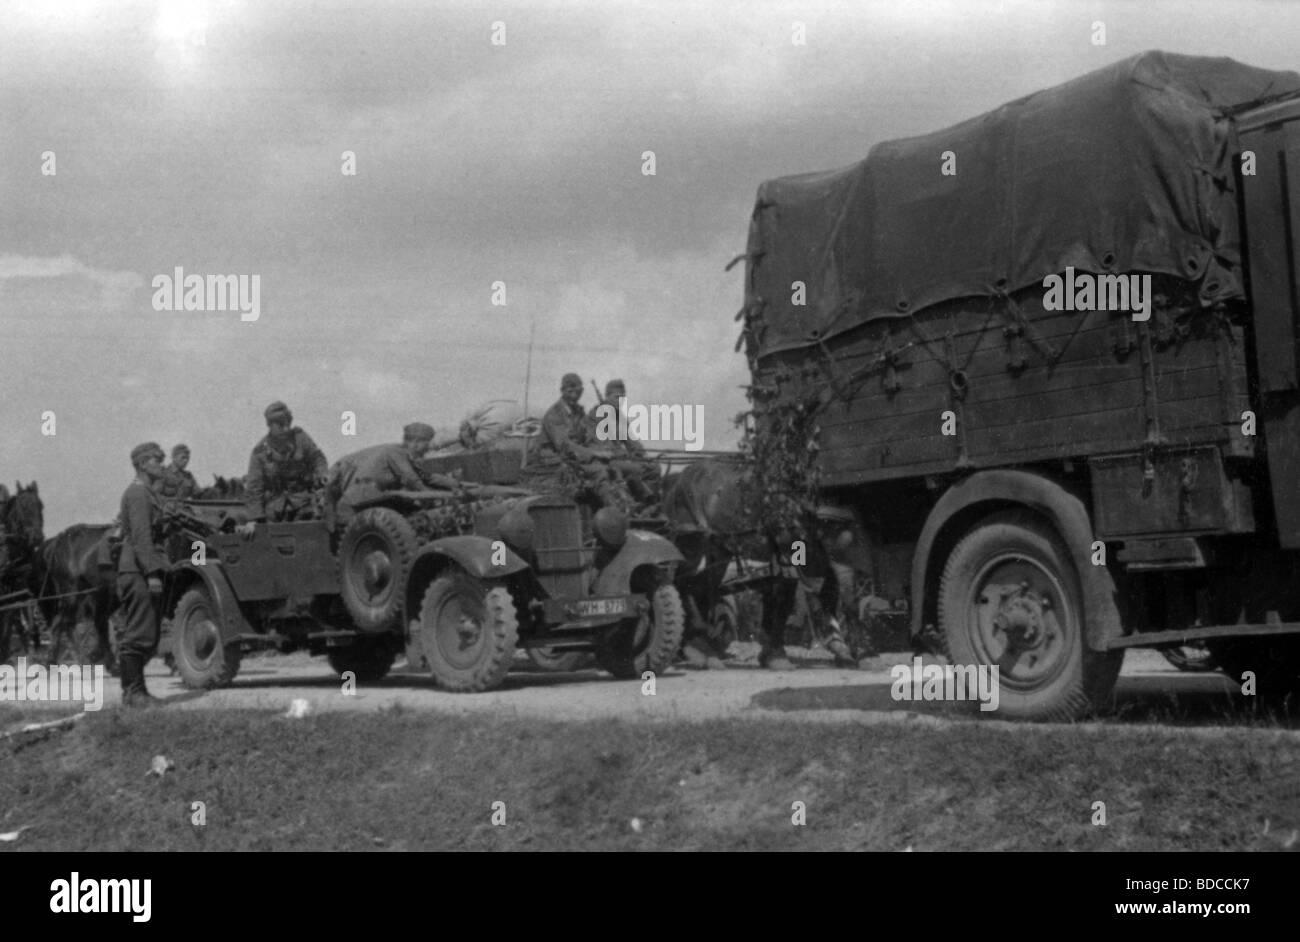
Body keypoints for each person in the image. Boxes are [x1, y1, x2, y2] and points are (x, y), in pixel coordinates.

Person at [325, 422, 462, 529]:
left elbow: (427, 477)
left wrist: (459, 485)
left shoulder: (402, 454)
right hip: (354, 508)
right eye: (426, 444)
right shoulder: (395, 453)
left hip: (364, 505)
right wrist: (431, 495)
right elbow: (412, 480)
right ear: (415, 443)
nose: (427, 450)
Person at [117, 442, 171, 707]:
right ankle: (134, 693)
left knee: (147, 633)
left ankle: (134, 692)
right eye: (156, 460)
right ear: (141, 464)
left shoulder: (149, 493)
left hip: (140, 567)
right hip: (138, 570)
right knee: (140, 633)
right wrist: (151, 573)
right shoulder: (138, 494)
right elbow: (141, 537)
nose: (161, 464)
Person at [238, 401, 328, 535]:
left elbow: (317, 457)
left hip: (303, 504)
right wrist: (253, 519)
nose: (286, 428)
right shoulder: (260, 452)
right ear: (270, 426)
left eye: (288, 423)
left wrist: (323, 474)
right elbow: (254, 487)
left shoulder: (300, 437)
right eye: (280, 425)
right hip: (275, 511)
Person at [588, 378, 662, 507]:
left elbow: (632, 442)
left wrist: (643, 455)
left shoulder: (619, 417)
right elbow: (599, 446)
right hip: (605, 462)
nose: (620, 401)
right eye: (616, 397)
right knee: (636, 469)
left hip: (622, 459)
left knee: (654, 468)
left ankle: (650, 505)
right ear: (607, 396)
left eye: (623, 398)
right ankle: (638, 505)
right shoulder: (595, 415)